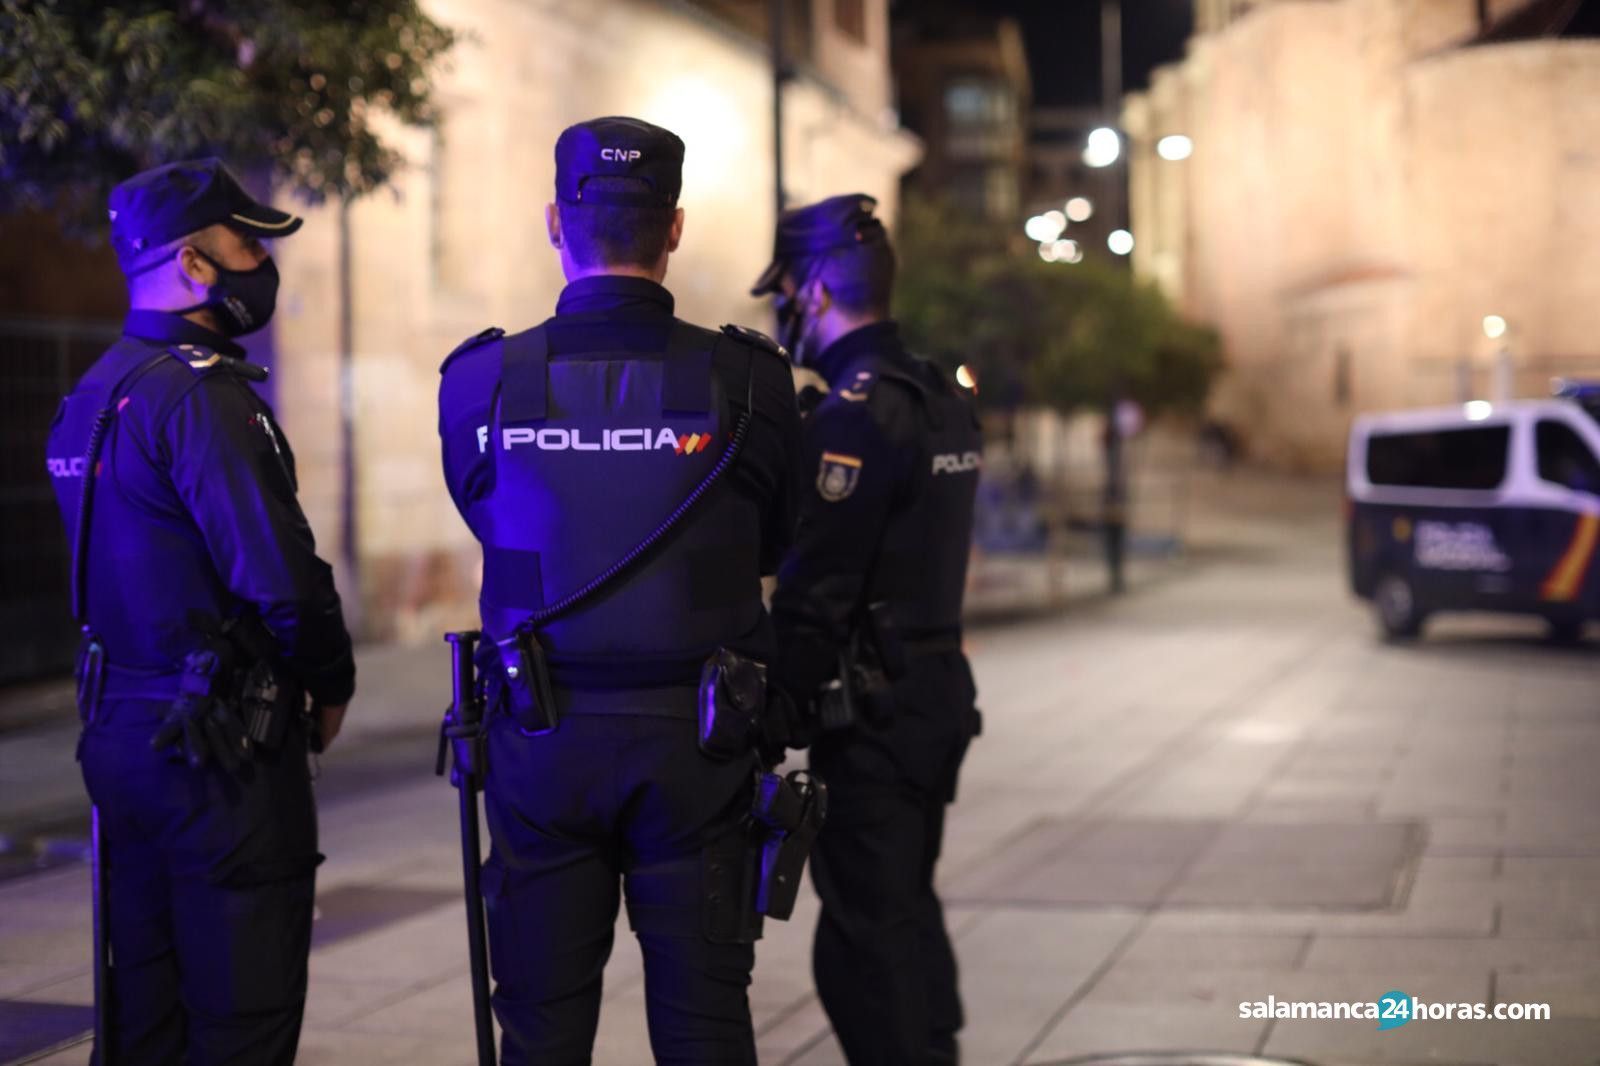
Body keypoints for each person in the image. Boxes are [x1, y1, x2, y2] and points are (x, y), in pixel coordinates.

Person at [436, 116, 803, 1065]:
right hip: (698, 743)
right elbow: (779, 539)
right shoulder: (752, 381)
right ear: (674, 228)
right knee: (705, 1025)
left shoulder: (480, 381)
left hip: (540, 739)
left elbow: (490, 518)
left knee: (542, 1028)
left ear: (554, 222)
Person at [44, 158, 356, 1065]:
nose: (262, 258)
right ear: (193, 262)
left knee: (142, 1018)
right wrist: (329, 678)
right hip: (216, 757)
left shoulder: (94, 392)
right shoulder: (201, 397)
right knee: (239, 1020)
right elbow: (282, 577)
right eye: (245, 241)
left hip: (122, 736)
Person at [752, 194, 984, 1065]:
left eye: (782, 292)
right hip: (933, 699)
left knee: (864, 944)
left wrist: (769, 717)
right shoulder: (939, 392)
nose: (781, 313)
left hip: (875, 719)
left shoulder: (853, 411)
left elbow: (818, 591)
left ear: (811, 291)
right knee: (906, 907)